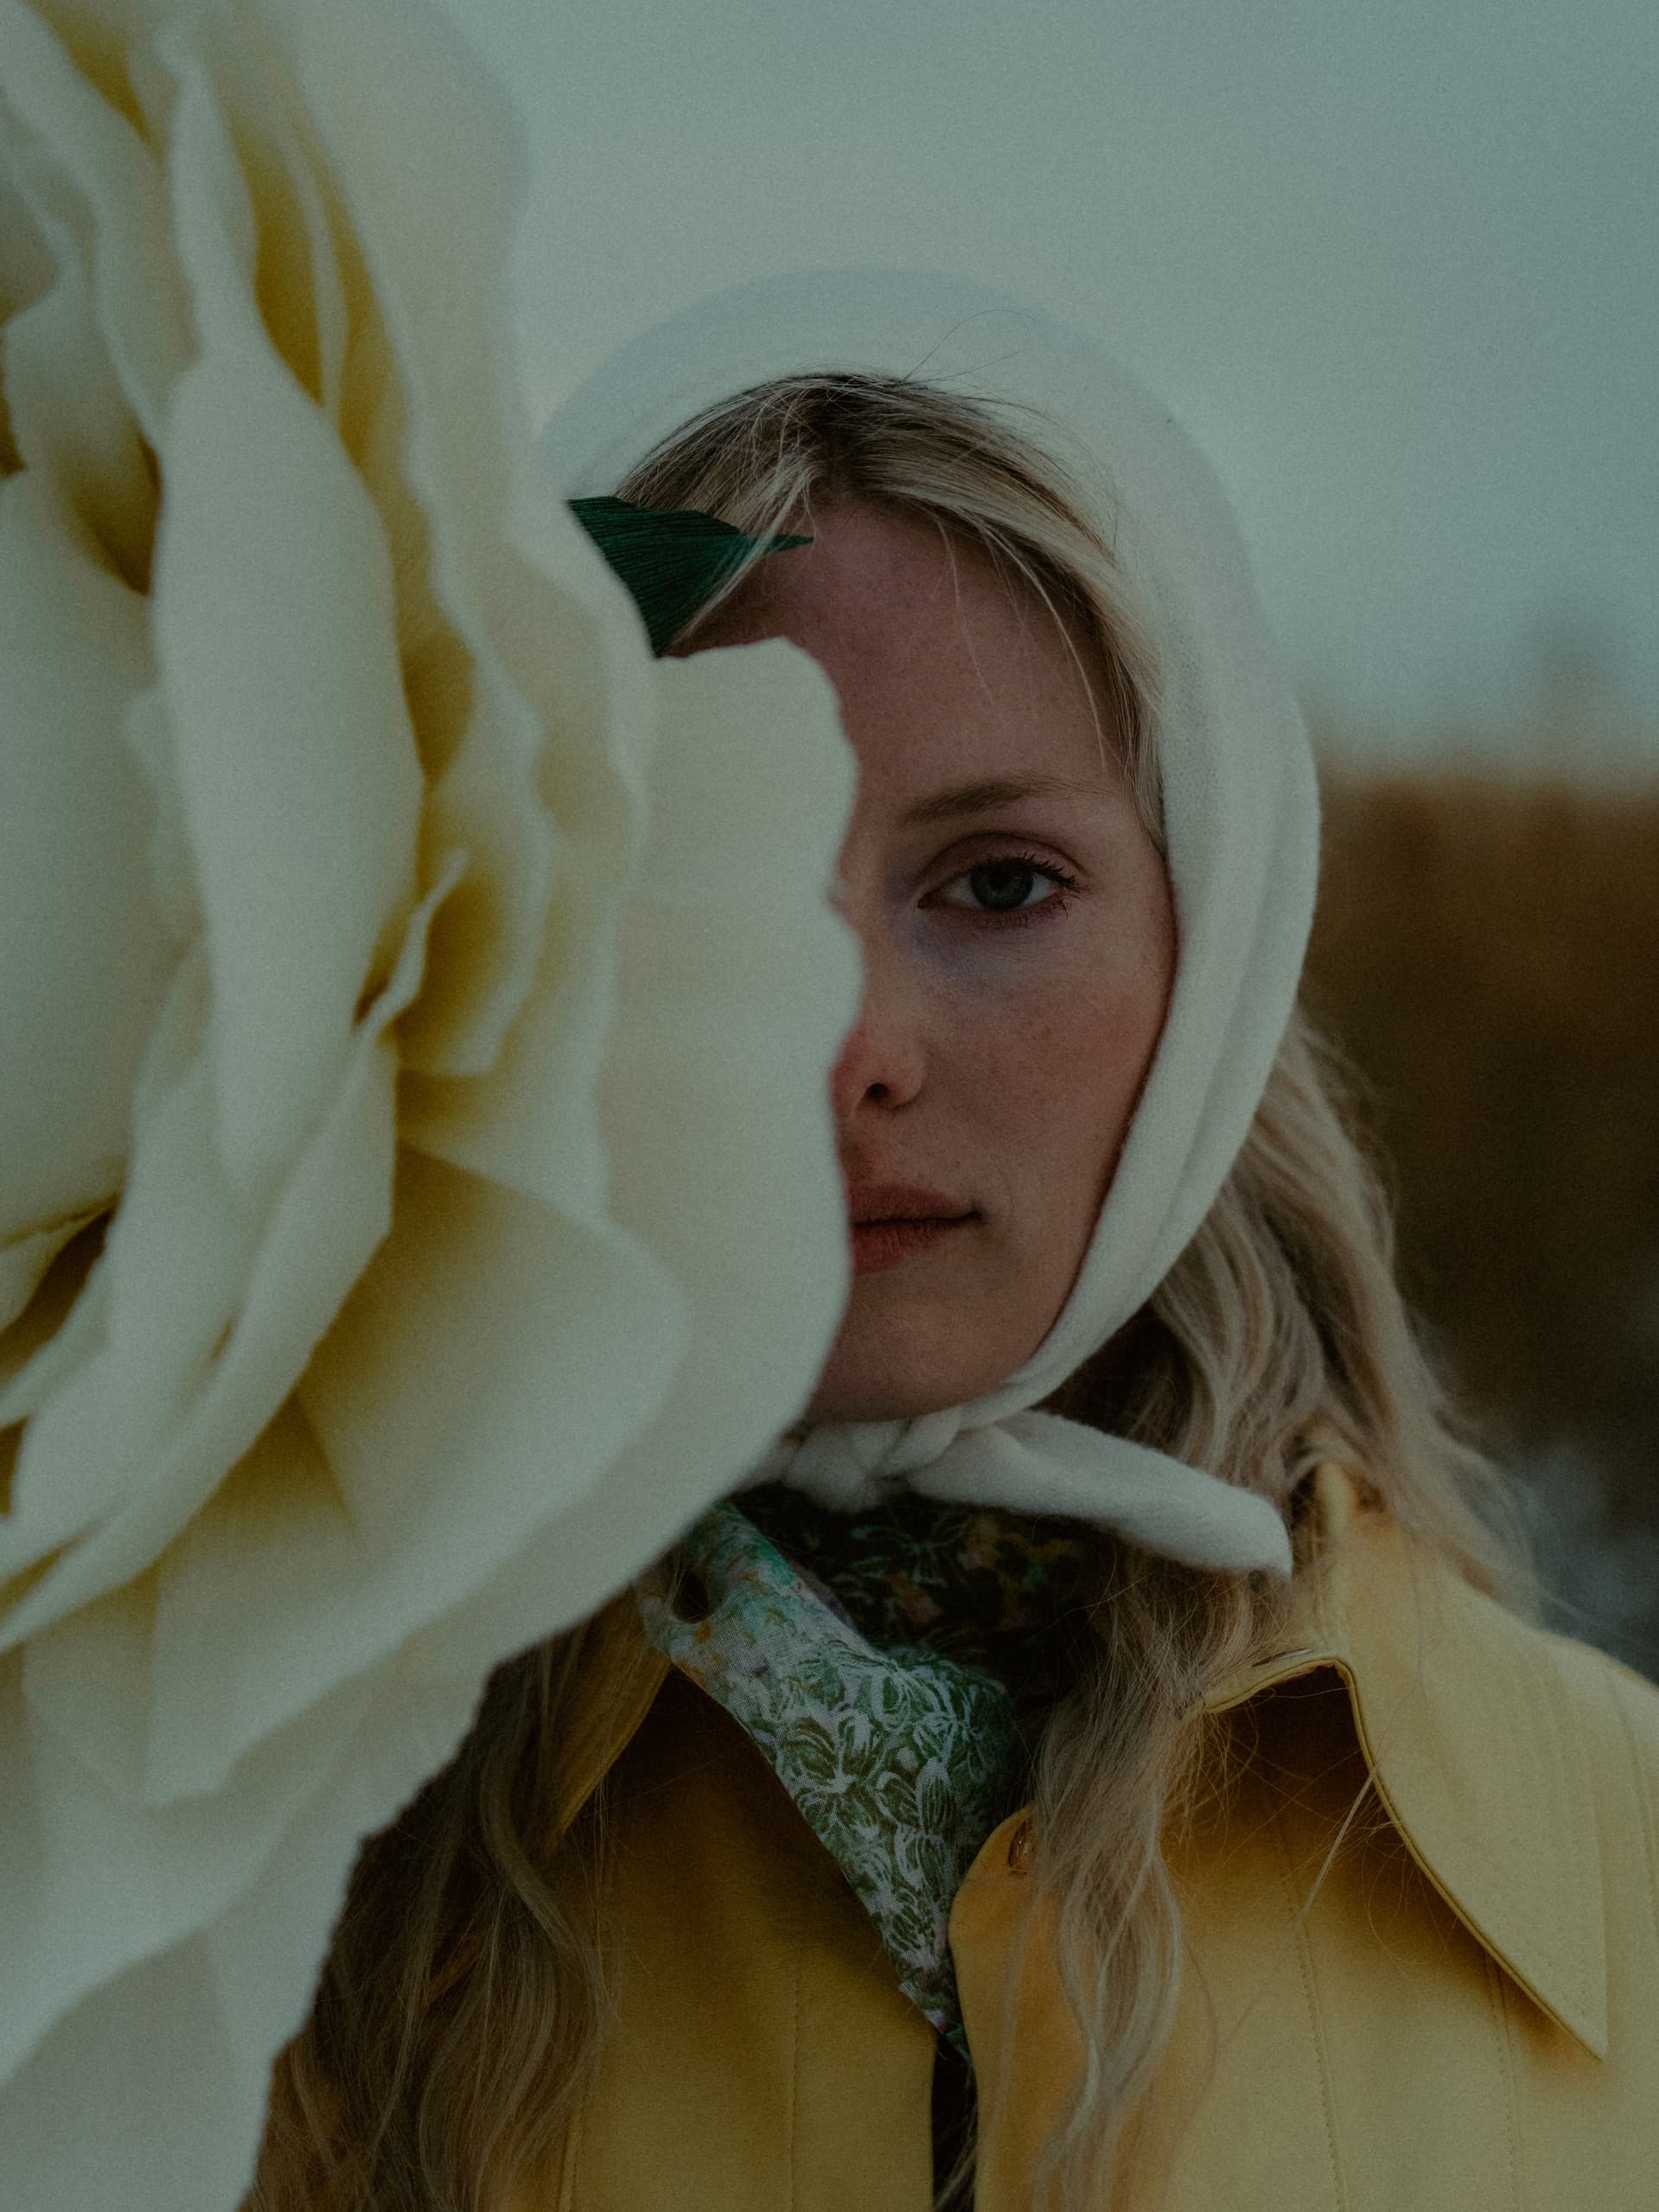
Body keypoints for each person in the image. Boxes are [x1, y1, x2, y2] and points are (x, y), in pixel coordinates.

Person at [246, 271, 1659, 2212]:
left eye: (998, 884)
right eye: (708, 880)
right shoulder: (261, 1871)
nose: (852, 1050)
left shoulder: (1620, 1856)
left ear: (1210, 947)